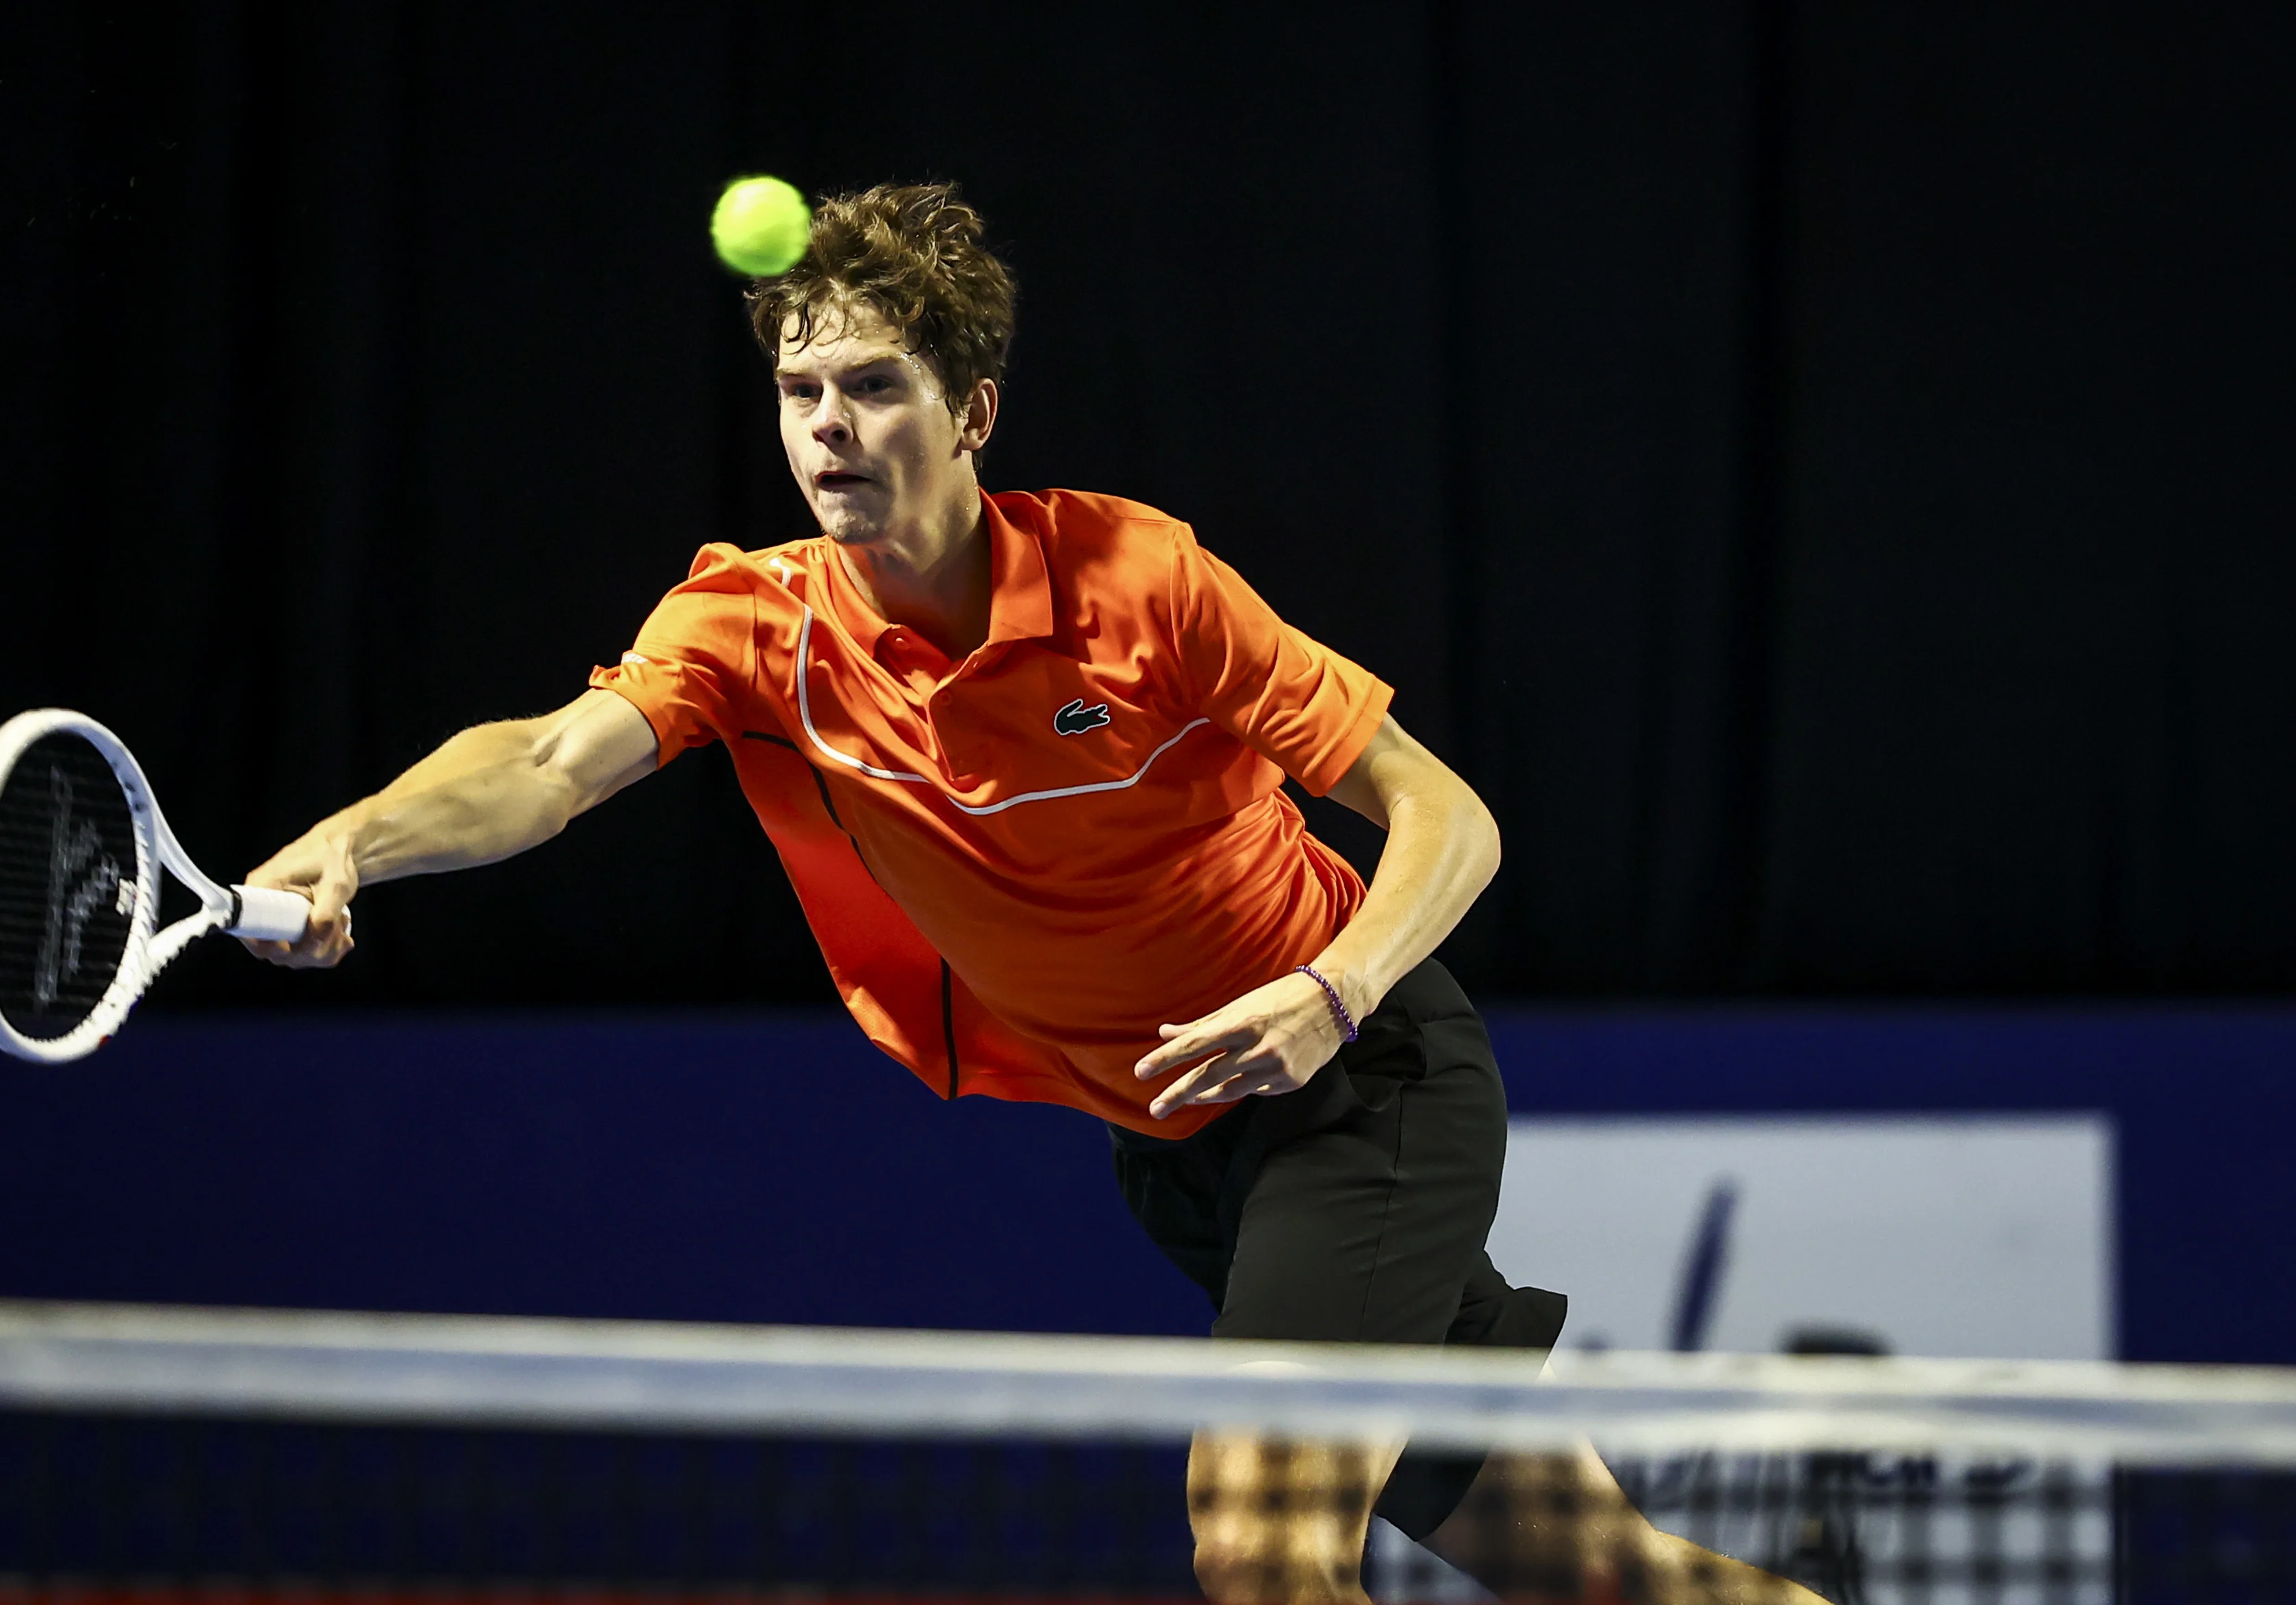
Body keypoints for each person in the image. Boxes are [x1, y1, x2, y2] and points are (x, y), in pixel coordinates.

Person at [243, 182, 1823, 1605]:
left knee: (1259, 1543)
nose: (827, 428)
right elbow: (543, 761)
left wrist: (1329, 991)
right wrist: (356, 843)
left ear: (971, 411)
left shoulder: (1138, 586)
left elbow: (1446, 816)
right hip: (1175, 1151)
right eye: (799, 392)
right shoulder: (750, 626)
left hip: (1362, 1086)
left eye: (873, 387)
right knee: (1592, 1569)